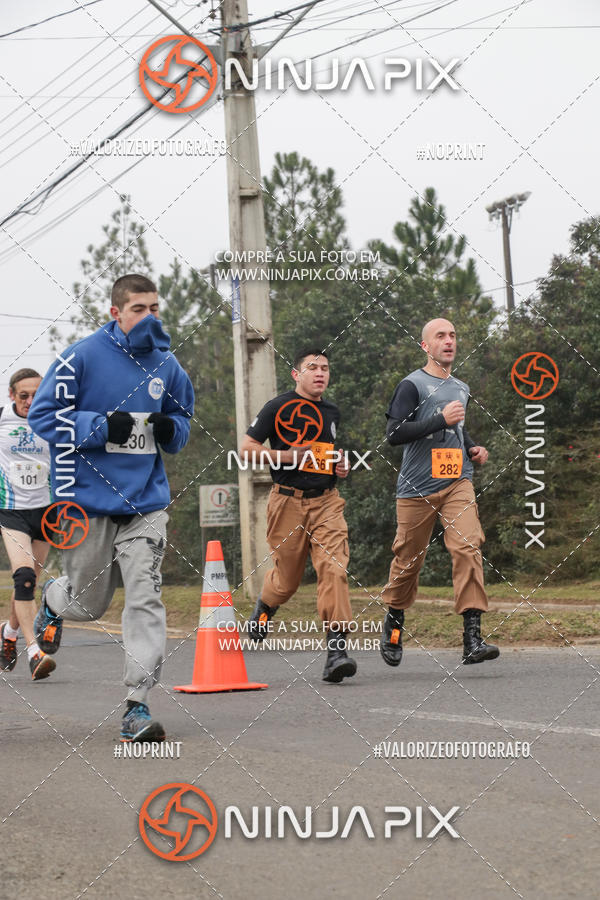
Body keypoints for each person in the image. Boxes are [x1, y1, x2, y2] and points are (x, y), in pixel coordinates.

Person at [28, 274, 194, 742]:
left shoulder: (166, 363)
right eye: (139, 309)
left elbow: (182, 420)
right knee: (88, 604)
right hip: (88, 504)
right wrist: (102, 426)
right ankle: (54, 599)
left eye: (155, 308)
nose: (149, 317)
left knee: (145, 597)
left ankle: (137, 705)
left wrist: (170, 430)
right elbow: (43, 416)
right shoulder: (81, 357)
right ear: (115, 313)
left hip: (146, 502)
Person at [380, 318, 499, 667]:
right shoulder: (412, 385)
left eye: (452, 335)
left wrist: (473, 447)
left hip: (457, 482)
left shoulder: (461, 387)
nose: (449, 341)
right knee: (408, 561)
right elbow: (394, 433)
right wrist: (440, 420)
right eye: (440, 336)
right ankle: (394, 623)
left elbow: (457, 428)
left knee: (468, 546)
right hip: (416, 488)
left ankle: (472, 638)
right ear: (425, 346)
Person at [239, 349, 356, 683]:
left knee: (334, 568)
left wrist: (341, 466)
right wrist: (287, 456)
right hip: (287, 502)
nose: (320, 373)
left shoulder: (332, 412)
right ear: (296, 374)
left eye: (325, 368)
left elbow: (327, 456)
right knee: (287, 581)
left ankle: (336, 652)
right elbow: (246, 449)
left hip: (327, 502)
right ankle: (265, 606)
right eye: (312, 368)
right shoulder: (277, 407)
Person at [0, 368, 56, 680]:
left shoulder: (54, 420)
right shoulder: (2, 419)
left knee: (29, 583)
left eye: (37, 395)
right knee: (23, 577)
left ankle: (8, 633)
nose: (31, 401)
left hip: (46, 511)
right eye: (24, 396)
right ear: (12, 394)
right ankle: (35, 653)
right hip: (11, 510)